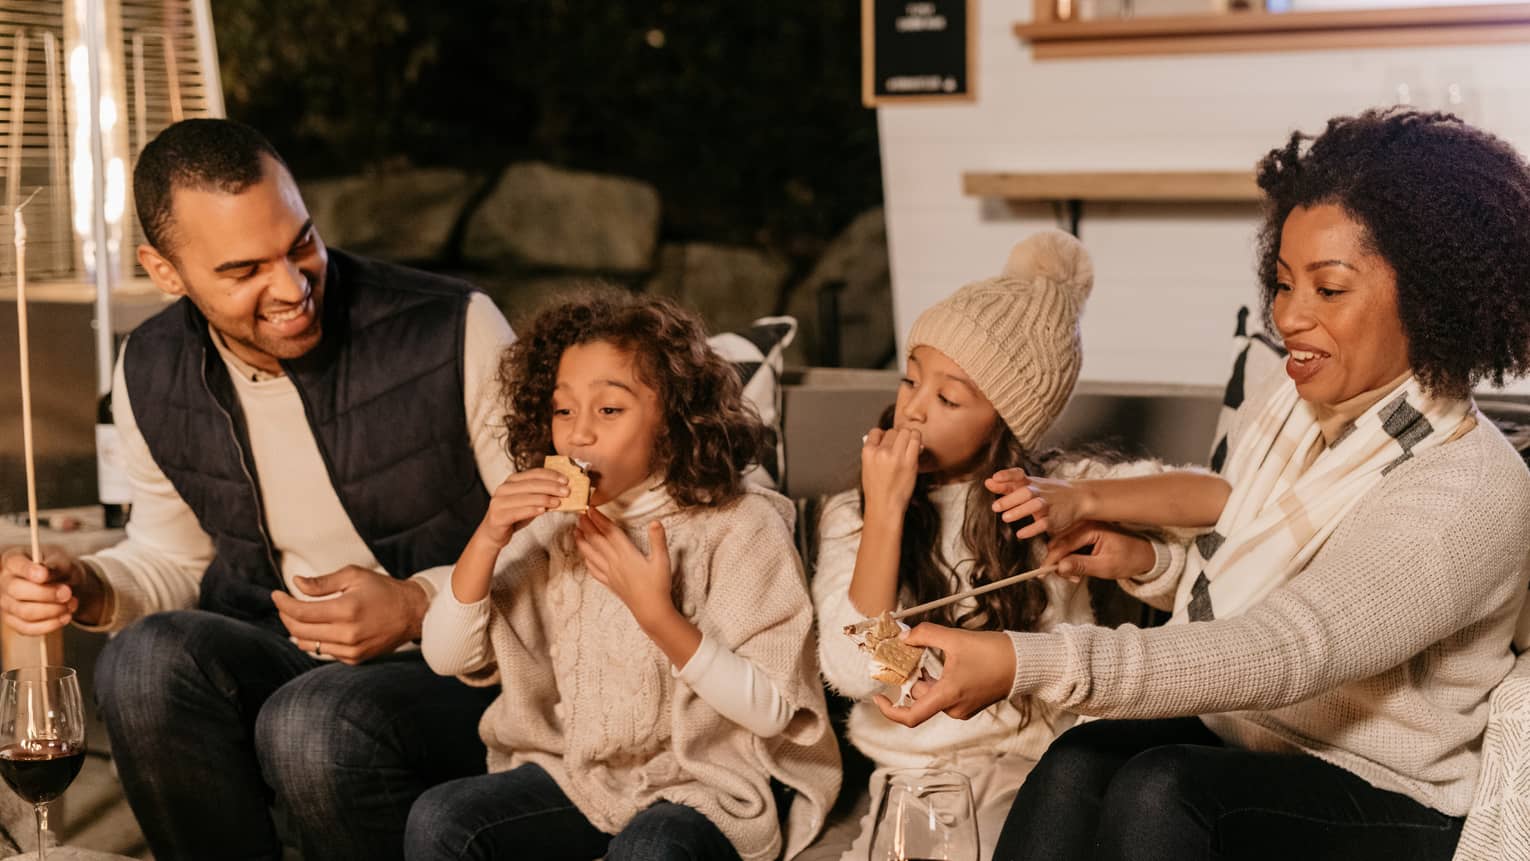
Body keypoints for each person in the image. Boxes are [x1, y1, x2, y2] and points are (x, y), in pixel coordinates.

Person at [873, 108, 1530, 861]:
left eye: (1329, 289)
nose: (1290, 316)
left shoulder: (1466, 487)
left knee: (1166, 790)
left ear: (1429, 296)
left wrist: (1031, 660)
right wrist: (1150, 564)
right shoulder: (1299, 414)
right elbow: (1253, 573)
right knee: (1082, 759)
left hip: (1386, 796)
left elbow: (1290, 646)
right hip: (1254, 734)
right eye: (1284, 284)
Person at [0, 118, 515, 860]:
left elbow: (552, 542)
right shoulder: (150, 364)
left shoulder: (452, 327)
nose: (293, 285)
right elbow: (173, 559)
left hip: (462, 672)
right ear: (165, 270)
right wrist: (89, 583)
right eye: (244, 271)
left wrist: (415, 605)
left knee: (311, 721)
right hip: (279, 654)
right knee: (141, 663)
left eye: (301, 241)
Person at [812, 230, 1222, 859]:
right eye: (909, 381)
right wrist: (886, 512)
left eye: (948, 397)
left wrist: (1086, 503)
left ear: (1005, 422)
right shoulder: (854, 512)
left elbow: (1215, 500)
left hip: (1028, 770)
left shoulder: (1043, 495)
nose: (913, 412)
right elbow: (852, 669)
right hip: (912, 780)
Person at [405, 290, 841, 861]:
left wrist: (658, 617)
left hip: (708, 785)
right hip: (578, 775)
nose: (578, 434)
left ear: (675, 420)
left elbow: (775, 710)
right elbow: (447, 657)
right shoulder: (552, 527)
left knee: (651, 849)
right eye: (563, 410)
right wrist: (488, 536)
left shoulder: (742, 525)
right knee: (441, 821)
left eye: (609, 410)